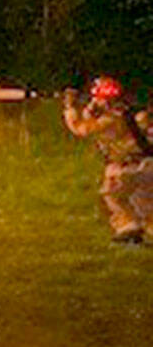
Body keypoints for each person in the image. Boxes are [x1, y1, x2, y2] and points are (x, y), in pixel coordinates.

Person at [61, 76, 153, 244]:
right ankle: (136, 230)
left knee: (112, 194)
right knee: (145, 206)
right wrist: (89, 108)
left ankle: (129, 229)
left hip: (128, 167)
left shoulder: (110, 119)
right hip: (146, 165)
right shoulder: (126, 113)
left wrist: (69, 108)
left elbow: (81, 128)